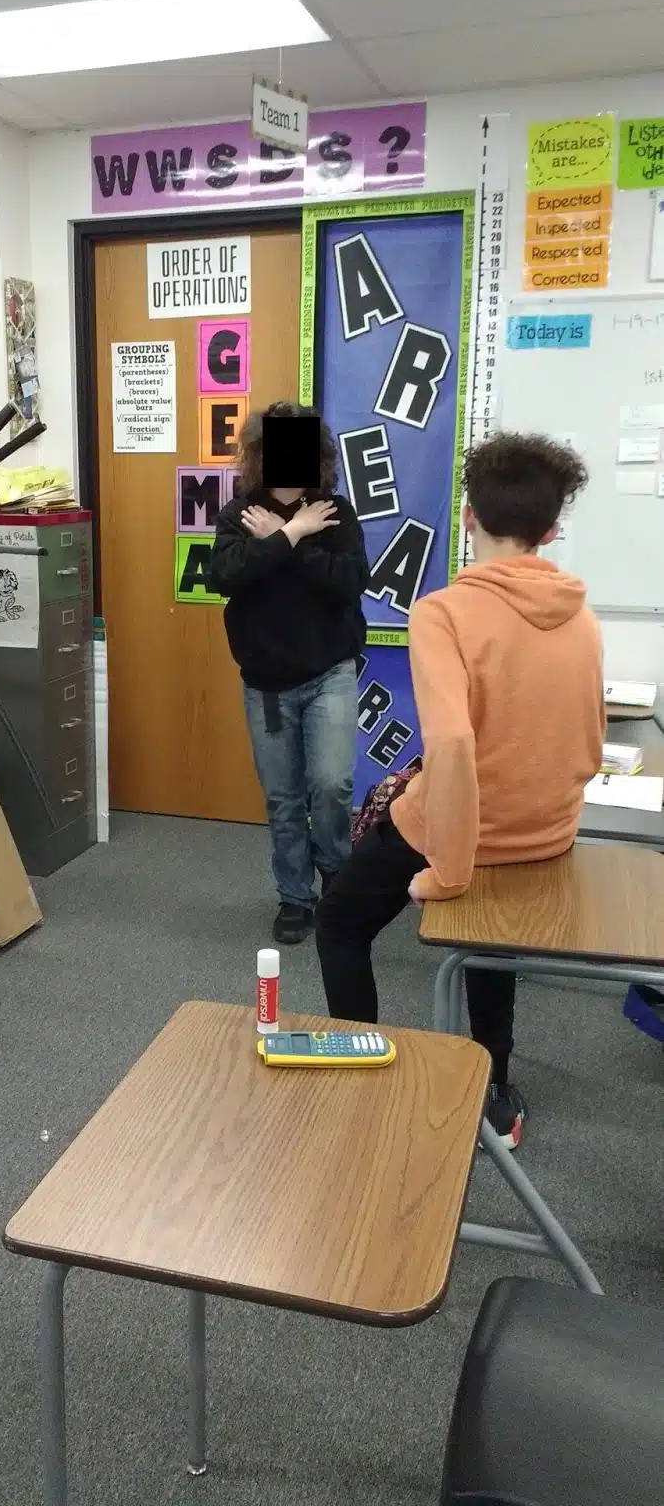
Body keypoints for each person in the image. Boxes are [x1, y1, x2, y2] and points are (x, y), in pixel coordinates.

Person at [315, 432, 604, 1147]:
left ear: (468, 517)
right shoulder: (584, 615)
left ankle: (357, 1078)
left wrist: (447, 870)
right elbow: (588, 745)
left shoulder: (443, 612)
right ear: (550, 530)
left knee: (340, 925)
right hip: (544, 836)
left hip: (459, 835)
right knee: (489, 939)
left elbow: (449, 747)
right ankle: (495, 1095)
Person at [210, 402, 369, 944]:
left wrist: (295, 534)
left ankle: (337, 880)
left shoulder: (335, 514)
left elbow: (348, 584)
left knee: (330, 785)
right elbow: (227, 577)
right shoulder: (237, 516)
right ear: (257, 456)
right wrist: (286, 535)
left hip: (329, 672)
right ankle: (295, 897)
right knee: (283, 797)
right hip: (267, 683)